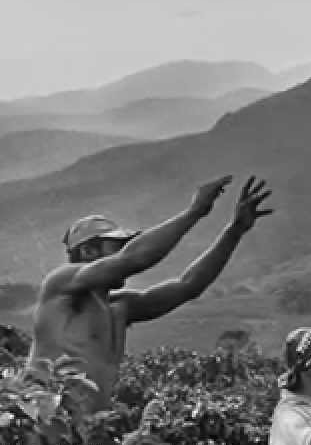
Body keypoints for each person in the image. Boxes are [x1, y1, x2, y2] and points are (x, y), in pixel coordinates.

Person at [25, 175, 273, 411]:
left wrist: (235, 230)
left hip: (87, 429)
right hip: (44, 419)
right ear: (89, 252)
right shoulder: (62, 283)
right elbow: (136, 258)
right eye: (118, 247)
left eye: (126, 245)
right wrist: (194, 212)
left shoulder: (119, 308)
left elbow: (189, 285)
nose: (125, 251)